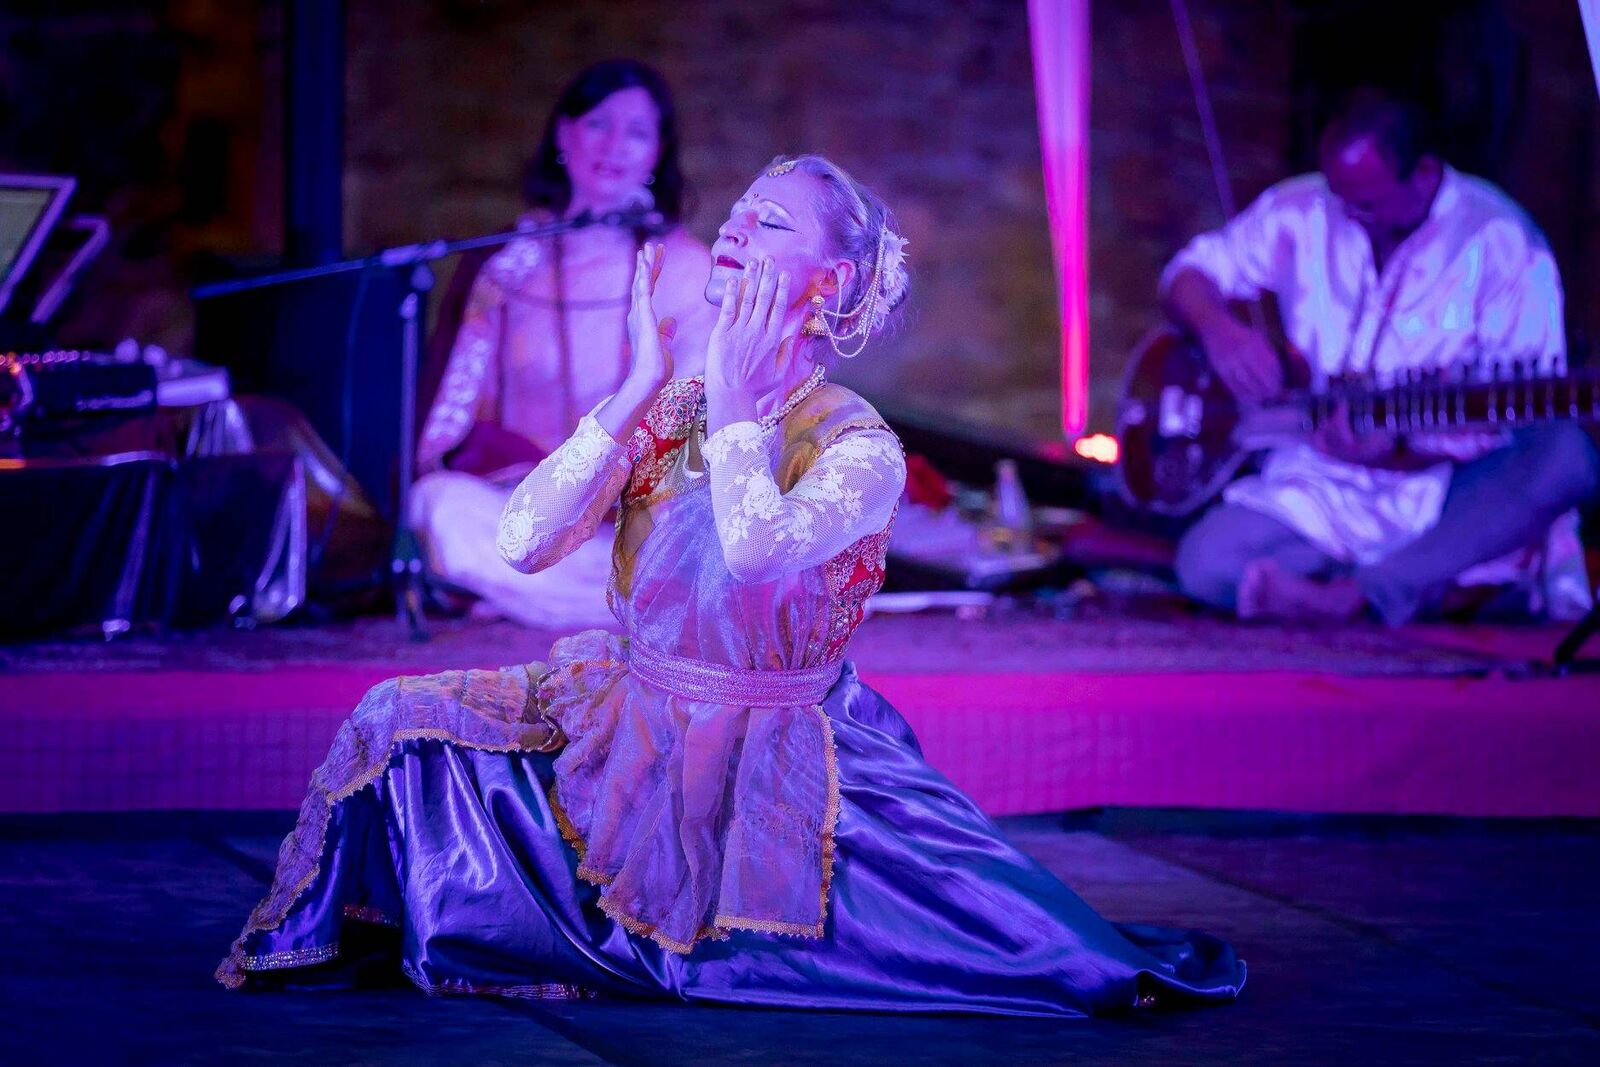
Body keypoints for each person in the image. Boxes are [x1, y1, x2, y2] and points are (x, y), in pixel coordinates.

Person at [216, 155, 1245, 1016]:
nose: (738, 225)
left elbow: (756, 551)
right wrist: (635, 383)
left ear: (830, 283)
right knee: (398, 721)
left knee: (1036, 952)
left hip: (777, 758)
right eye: (740, 208)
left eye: (773, 220)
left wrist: (742, 400)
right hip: (626, 725)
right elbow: (525, 540)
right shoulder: (670, 406)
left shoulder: (858, 446)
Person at [1165, 88, 1599, 625]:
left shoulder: (1502, 241)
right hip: (1321, 489)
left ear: (1424, 173)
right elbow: (1190, 274)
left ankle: (1359, 593)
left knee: (1565, 456)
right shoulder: (1302, 209)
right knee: (1205, 564)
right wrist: (1220, 331)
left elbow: (1516, 431)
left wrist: (1394, 454)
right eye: (1339, 196)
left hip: (1449, 498)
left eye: (1367, 203)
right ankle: (1420, 593)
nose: (1347, 213)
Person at [412, 59, 714, 628]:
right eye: (598, 123)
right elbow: (453, 426)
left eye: (637, 132)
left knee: (683, 548)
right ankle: (631, 609)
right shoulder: (508, 268)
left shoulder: (686, 270)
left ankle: (573, 599)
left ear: (658, 153)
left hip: (631, 523)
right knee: (438, 505)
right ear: (564, 133)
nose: (614, 146)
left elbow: (696, 431)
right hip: (522, 511)